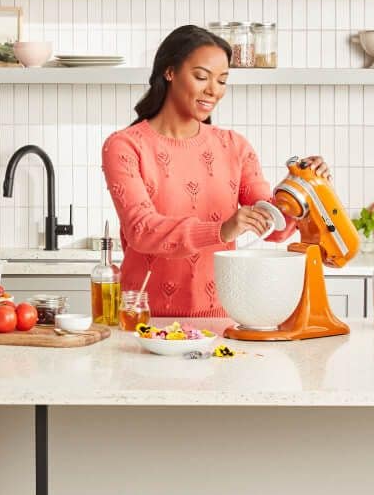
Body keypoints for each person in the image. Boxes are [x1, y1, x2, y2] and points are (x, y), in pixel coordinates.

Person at [101, 24, 328, 318]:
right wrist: (222, 229)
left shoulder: (234, 146)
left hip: (222, 319)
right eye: (201, 77)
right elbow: (142, 230)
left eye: (222, 80)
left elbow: (275, 227)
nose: (213, 90)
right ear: (169, 72)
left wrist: (304, 187)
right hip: (145, 319)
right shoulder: (124, 146)